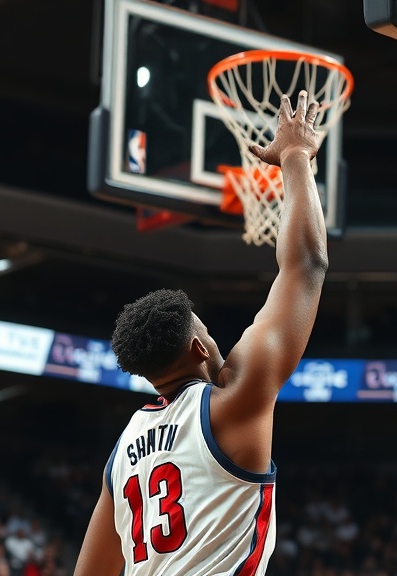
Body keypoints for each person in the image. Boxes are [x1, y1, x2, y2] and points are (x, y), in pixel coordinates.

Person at [74, 90, 329, 576]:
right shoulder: (230, 404)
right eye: (207, 329)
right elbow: (306, 266)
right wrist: (296, 155)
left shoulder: (125, 448)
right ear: (199, 346)